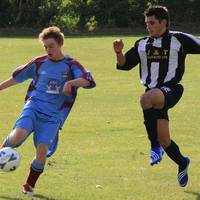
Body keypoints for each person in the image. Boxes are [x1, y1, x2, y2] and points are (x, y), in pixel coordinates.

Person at [0, 26, 96, 196]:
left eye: (51, 46)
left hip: (53, 116)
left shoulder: (71, 65)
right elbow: (17, 77)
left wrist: (71, 83)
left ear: (59, 44)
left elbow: (87, 80)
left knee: (42, 150)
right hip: (34, 107)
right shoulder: (39, 62)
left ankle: (29, 185)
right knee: (17, 135)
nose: (48, 50)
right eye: (45, 46)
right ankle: (2, 156)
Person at [113, 5, 200, 187]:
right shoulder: (142, 44)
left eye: (152, 23)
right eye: (146, 23)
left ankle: (154, 147)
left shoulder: (178, 39)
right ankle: (182, 162)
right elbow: (124, 64)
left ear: (164, 22)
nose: (148, 26)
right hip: (153, 95)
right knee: (165, 140)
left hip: (171, 89)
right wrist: (119, 52)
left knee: (145, 99)